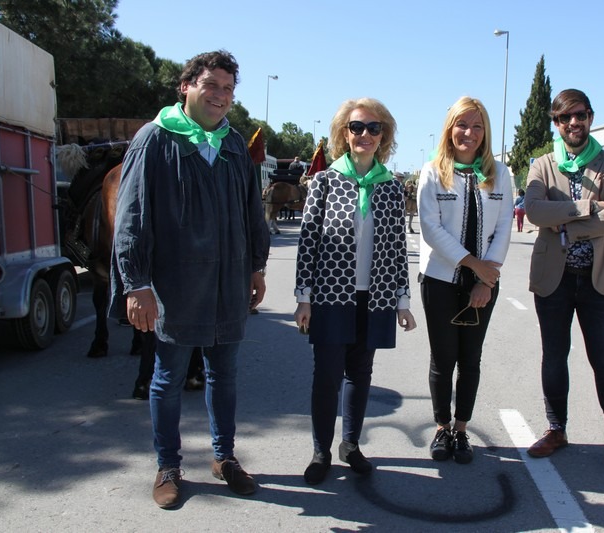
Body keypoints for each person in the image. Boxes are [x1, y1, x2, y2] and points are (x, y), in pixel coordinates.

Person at [110, 50, 270, 509]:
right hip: (175, 286)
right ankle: (168, 466)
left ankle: (224, 458)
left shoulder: (234, 143)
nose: (220, 95)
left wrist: (256, 266)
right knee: (167, 378)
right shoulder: (155, 139)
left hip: (228, 281)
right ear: (186, 87)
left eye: (228, 89)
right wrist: (137, 284)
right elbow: (132, 216)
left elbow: (251, 212)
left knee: (224, 375)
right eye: (211, 85)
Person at [294, 98, 416, 485]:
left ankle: (350, 444)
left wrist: (402, 301)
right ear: (344, 134)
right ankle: (321, 451)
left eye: (374, 128)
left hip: (375, 297)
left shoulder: (391, 188)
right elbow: (308, 242)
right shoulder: (325, 181)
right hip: (330, 295)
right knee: (327, 375)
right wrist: (303, 297)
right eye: (357, 127)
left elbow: (397, 248)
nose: (365, 134)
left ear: (384, 136)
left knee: (360, 374)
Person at [524, 89, 604, 482]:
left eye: (580, 115)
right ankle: (556, 429)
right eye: (565, 117)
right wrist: (589, 208)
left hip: (598, 280)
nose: (574, 123)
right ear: (556, 123)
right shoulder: (543, 165)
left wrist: (569, 228)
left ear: (590, 117)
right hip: (554, 280)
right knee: (554, 357)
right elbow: (534, 210)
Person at [418, 96, 512, 464]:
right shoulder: (432, 172)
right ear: (450, 129)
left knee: (470, 359)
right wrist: (473, 264)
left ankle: (461, 429)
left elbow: (503, 226)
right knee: (443, 359)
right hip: (440, 280)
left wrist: (486, 279)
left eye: (476, 126)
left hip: (484, 282)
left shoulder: (500, 173)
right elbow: (431, 228)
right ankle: (442, 428)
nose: (468, 133)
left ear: (485, 132)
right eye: (462, 125)